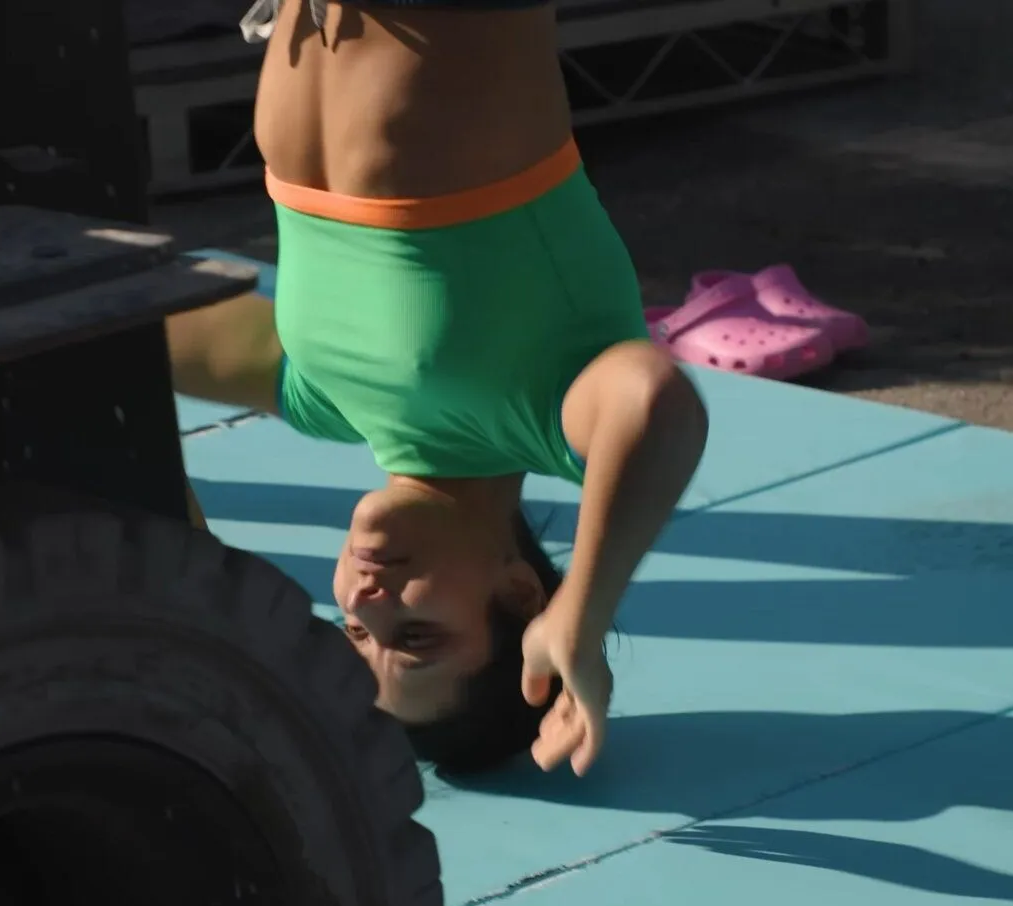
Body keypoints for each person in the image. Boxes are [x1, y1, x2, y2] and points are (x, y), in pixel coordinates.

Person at [166, 0, 709, 777]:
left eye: (357, 632)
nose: (366, 602)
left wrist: (195, 565)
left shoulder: (326, 399)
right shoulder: (540, 417)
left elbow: (113, 341)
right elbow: (658, 402)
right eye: (416, 635)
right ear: (519, 593)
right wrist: (583, 616)